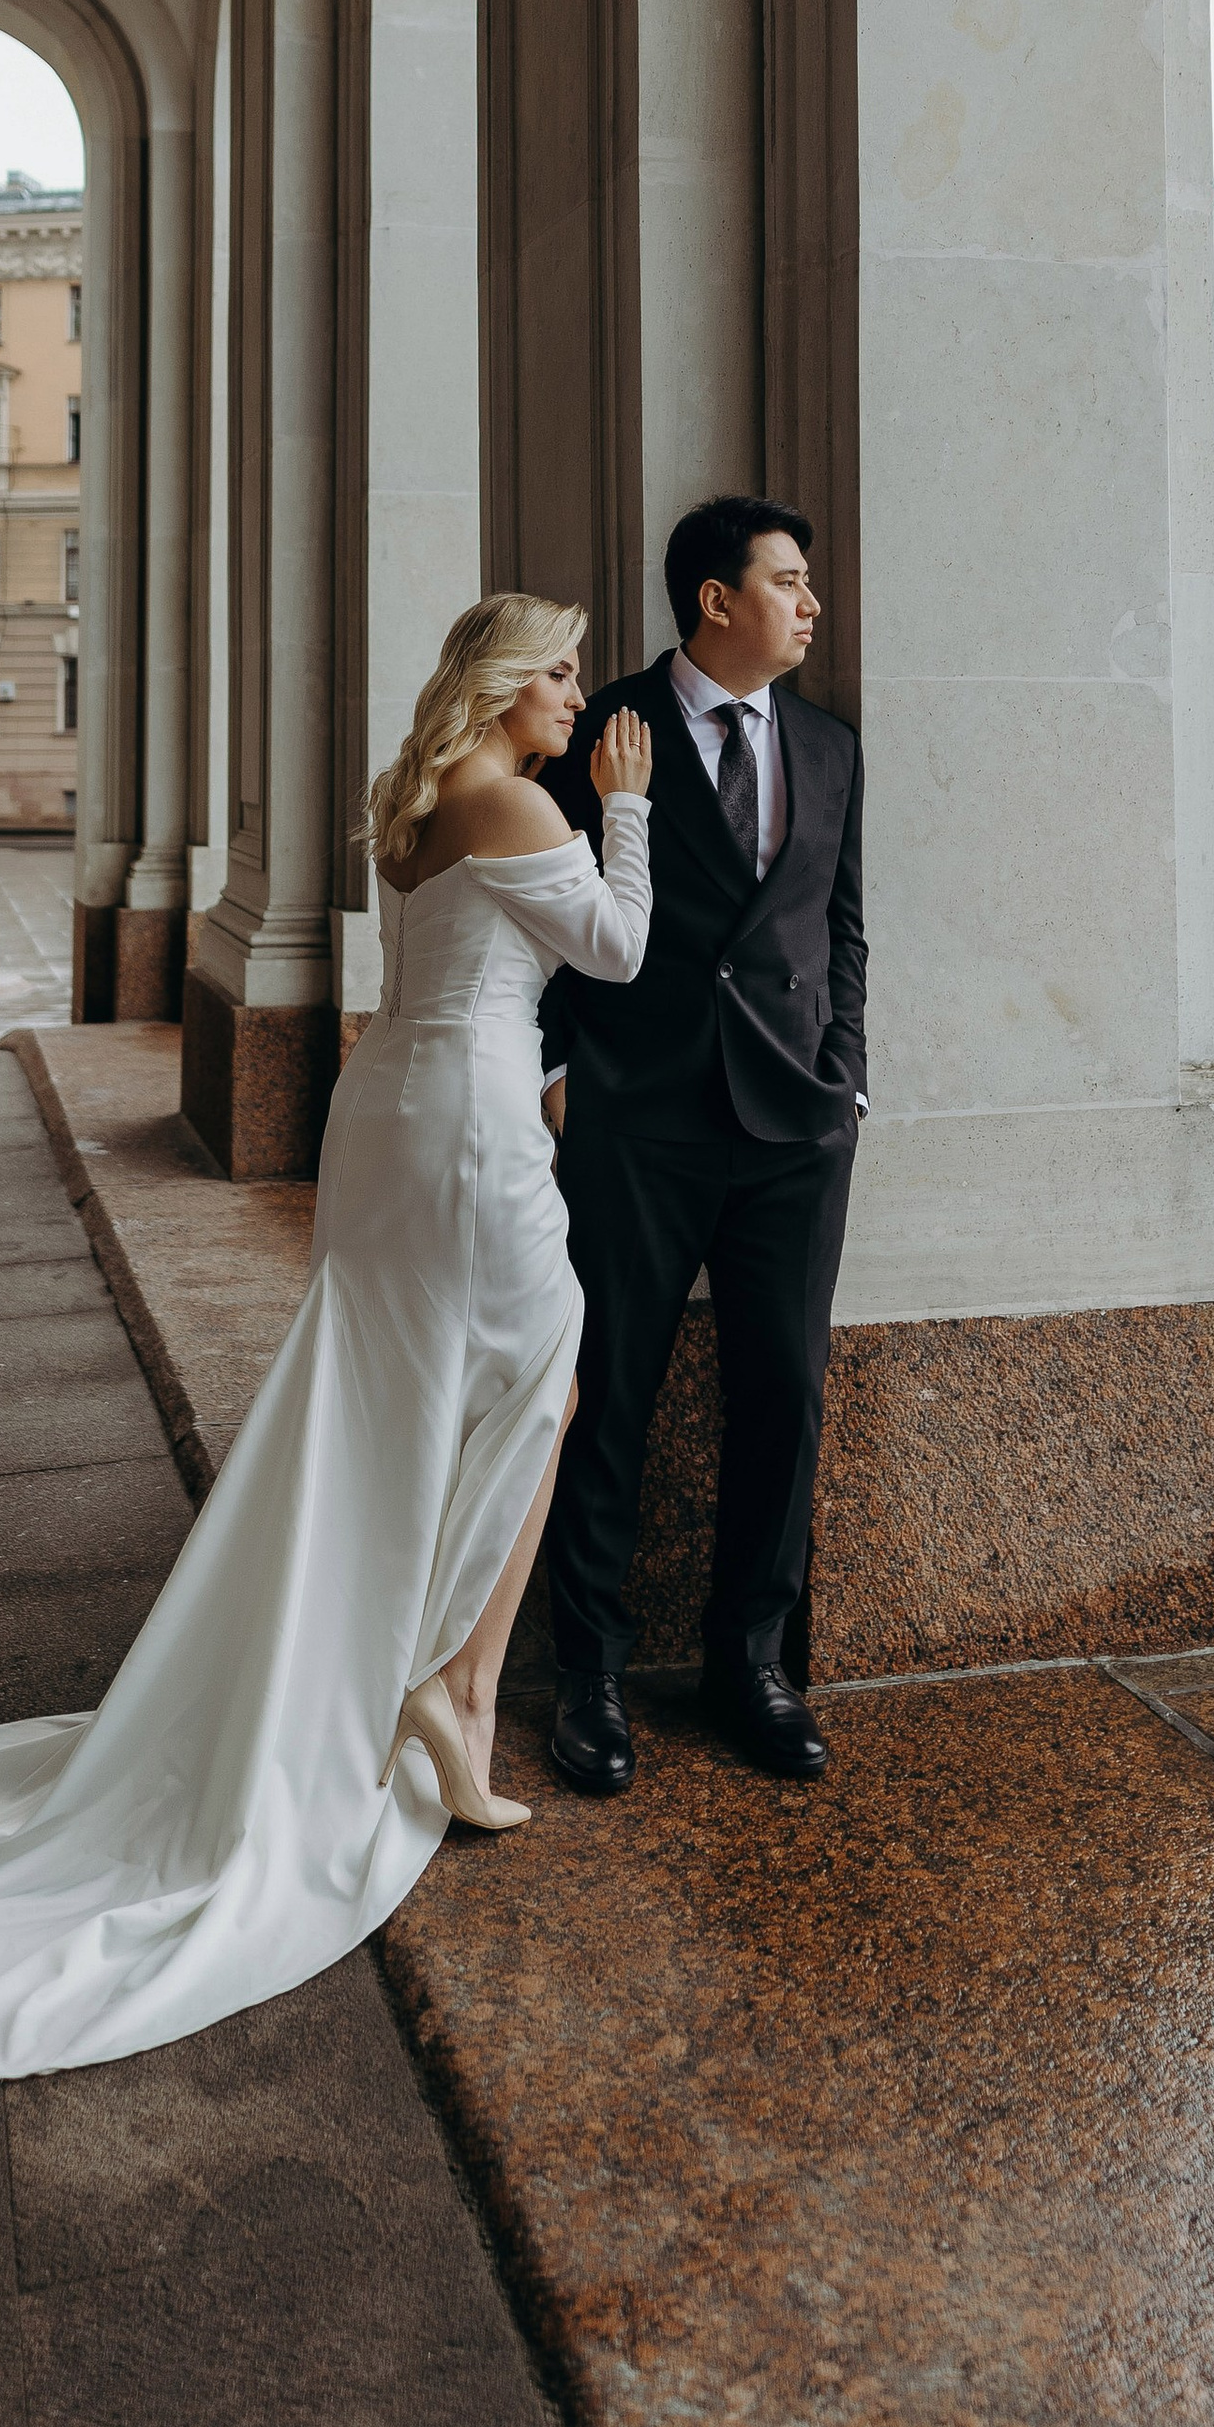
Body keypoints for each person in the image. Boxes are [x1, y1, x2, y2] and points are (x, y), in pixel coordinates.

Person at [0, 595, 654, 2083]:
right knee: (543, 1381)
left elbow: (467, 975)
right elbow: (617, 951)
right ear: (499, 689)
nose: (579, 695)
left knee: (401, 1402)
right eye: (558, 673)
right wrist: (622, 811)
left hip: (395, 1119)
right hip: (466, 1140)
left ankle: (448, 1682)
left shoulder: (426, 798)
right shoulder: (512, 795)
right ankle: (456, 1687)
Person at [532, 495, 866, 1796]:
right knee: (611, 1393)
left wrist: (849, 1086)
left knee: (783, 1396)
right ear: (716, 599)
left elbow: (839, 930)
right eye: (788, 581)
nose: (811, 602)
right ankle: (592, 1675)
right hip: (638, 1119)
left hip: (795, 1128)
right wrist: (562, 1074)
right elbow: (550, 908)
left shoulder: (832, 748)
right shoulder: (604, 727)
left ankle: (753, 1664)